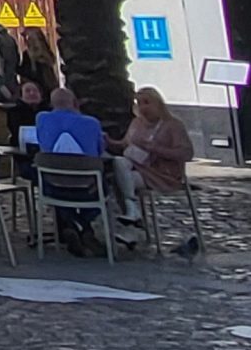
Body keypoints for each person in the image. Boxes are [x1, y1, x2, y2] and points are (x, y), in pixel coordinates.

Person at [35, 86, 114, 254]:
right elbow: (99, 150)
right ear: (75, 103)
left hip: (53, 186)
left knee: (47, 179)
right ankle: (84, 226)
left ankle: (73, 224)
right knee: (106, 186)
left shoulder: (42, 119)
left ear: (51, 103)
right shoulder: (92, 123)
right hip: (87, 188)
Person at [116, 86, 193, 232]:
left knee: (123, 180)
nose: (143, 108)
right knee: (119, 164)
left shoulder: (173, 125)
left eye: (146, 102)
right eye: (139, 103)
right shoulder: (137, 123)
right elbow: (124, 143)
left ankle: (133, 216)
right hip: (138, 167)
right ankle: (132, 211)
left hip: (163, 174)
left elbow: (186, 153)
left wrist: (156, 149)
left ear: (158, 103)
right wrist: (106, 141)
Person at [18, 26, 60, 97]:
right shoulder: (46, 53)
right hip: (49, 87)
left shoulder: (29, 55)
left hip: (35, 89)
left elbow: (27, 72)